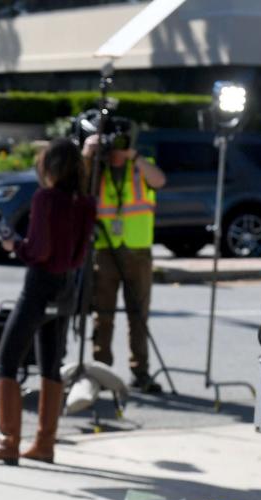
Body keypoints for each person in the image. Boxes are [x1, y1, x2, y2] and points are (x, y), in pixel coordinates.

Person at [0, 139, 96, 466]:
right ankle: (45, 442)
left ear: (50, 167)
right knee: (50, 364)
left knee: (7, 360)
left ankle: (8, 441)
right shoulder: (84, 202)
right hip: (66, 285)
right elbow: (80, 252)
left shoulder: (46, 198)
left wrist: (17, 246)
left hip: (39, 284)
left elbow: (38, 249)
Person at [84, 127, 167, 394]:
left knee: (138, 317)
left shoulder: (141, 167)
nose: (116, 148)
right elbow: (81, 187)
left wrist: (135, 156)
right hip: (106, 249)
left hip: (138, 251)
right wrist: (88, 154)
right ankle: (101, 370)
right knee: (103, 316)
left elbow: (159, 181)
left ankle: (140, 372)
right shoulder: (98, 170)